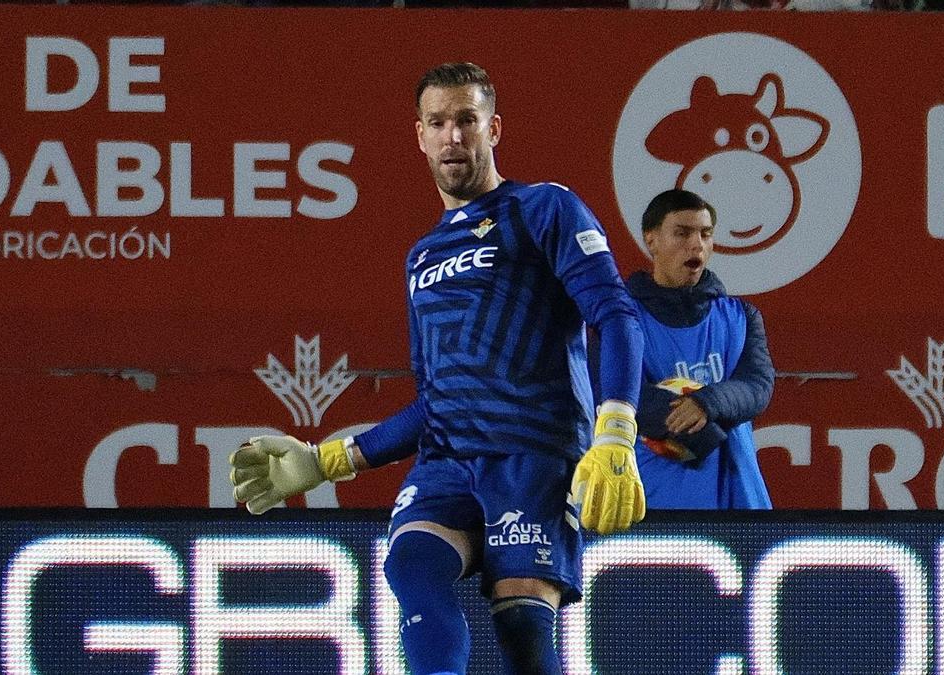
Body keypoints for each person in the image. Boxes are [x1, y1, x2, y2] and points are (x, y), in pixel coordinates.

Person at [228, 62, 646, 674]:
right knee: (410, 565)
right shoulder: (420, 256)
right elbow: (436, 399)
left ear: (494, 129)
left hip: (532, 456)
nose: (453, 136)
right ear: (418, 135)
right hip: (447, 461)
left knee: (524, 635)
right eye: (438, 123)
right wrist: (327, 461)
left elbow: (616, 315)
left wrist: (616, 428)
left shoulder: (543, 208)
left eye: (467, 121)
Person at [626, 188, 774, 509]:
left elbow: (758, 387)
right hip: (650, 495)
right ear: (650, 240)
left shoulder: (743, 317)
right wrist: (705, 435)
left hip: (737, 493)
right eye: (682, 233)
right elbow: (619, 393)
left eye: (705, 234)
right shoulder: (620, 319)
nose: (697, 245)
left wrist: (706, 403)